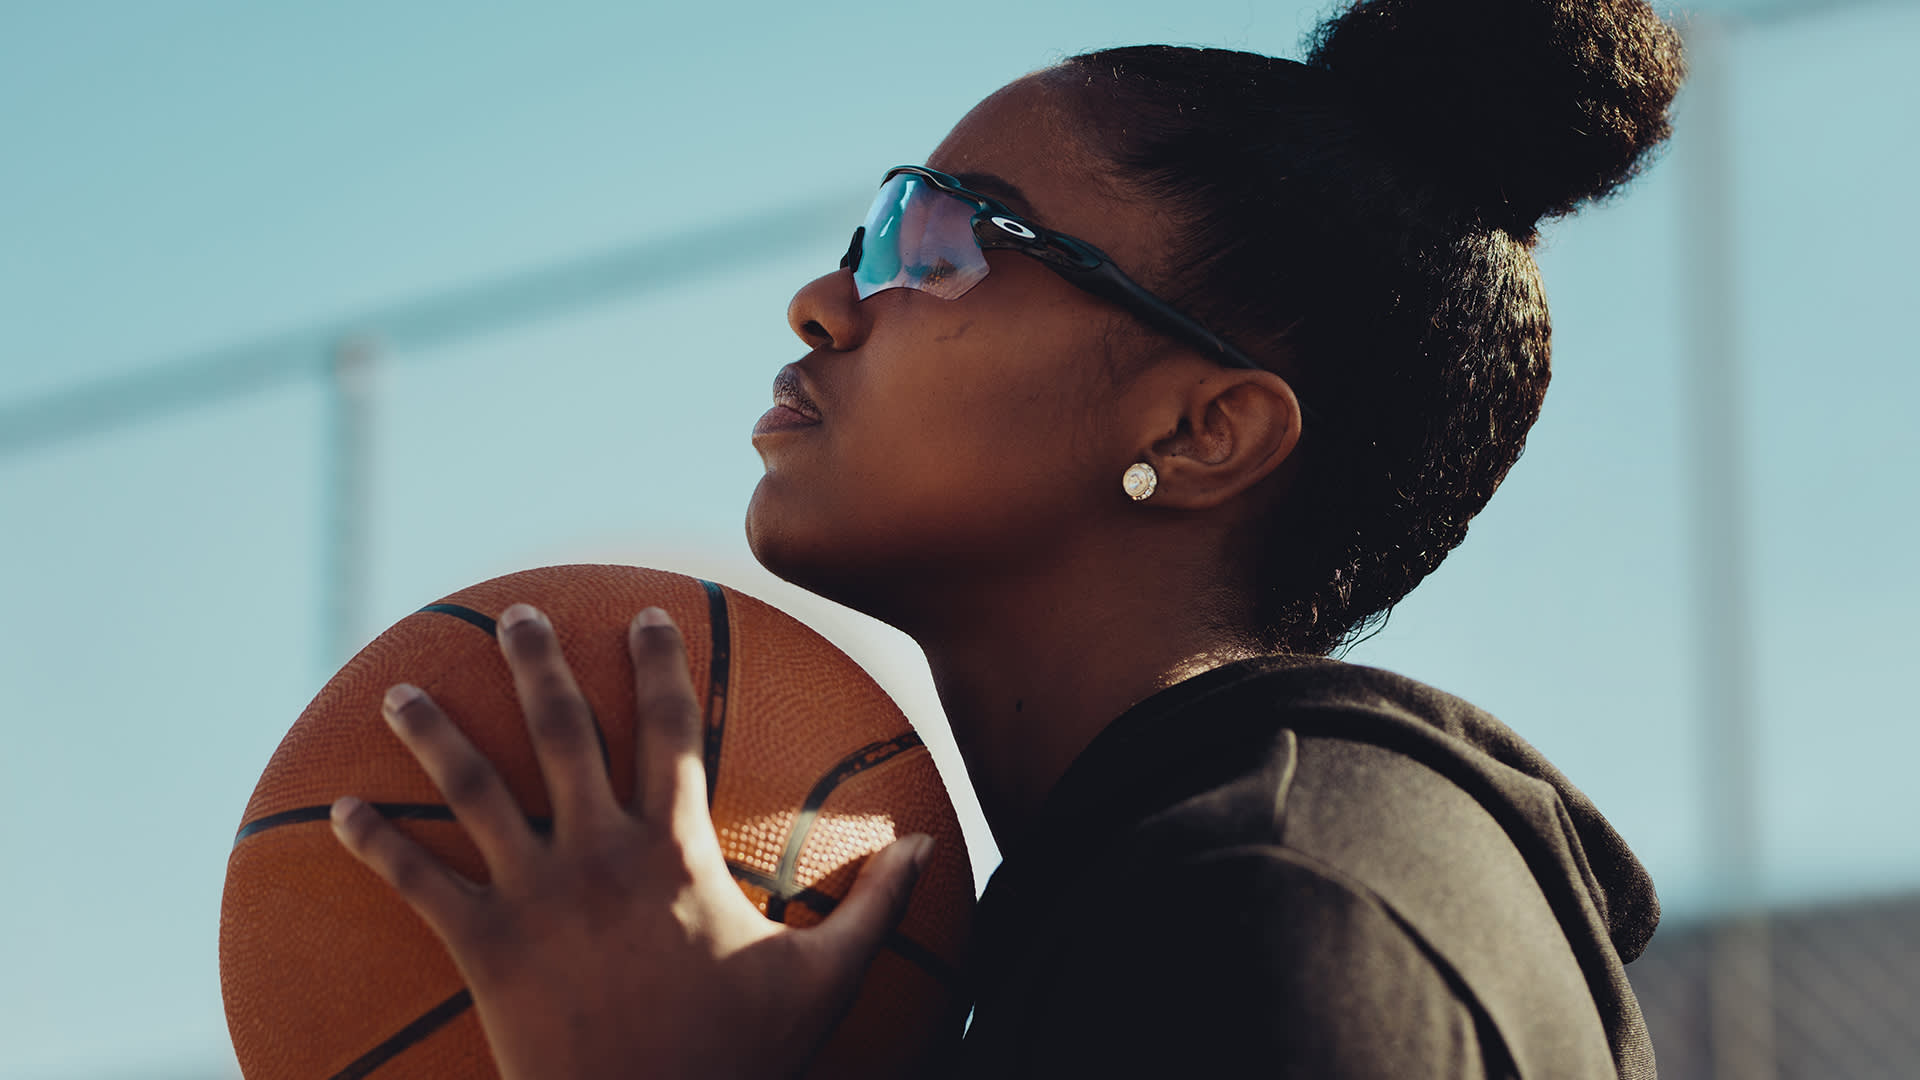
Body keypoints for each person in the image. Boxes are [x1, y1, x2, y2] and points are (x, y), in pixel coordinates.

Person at [325, 0, 1687, 1075]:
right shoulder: (1168, 891)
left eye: (938, 240)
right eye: (872, 229)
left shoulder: (1268, 907)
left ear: (1202, 431)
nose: (821, 302)